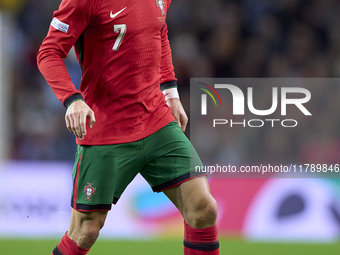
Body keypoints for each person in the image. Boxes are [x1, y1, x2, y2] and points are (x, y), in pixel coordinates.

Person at [37, 0, 219, 254]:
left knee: (203, 208)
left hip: (156, 120)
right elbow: (48, 52)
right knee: (85, 231)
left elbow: (159, 30)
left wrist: (169, 90)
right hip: (106, 128)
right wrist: (73, 100)